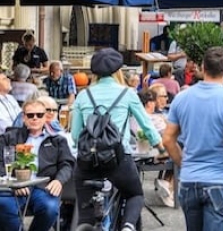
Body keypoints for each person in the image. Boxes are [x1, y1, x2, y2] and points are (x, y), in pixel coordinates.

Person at [71, 48, 167, 231]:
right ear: (118, 71)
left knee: (86, 215)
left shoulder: (83, 95)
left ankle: (86, 224)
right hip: (118, 158)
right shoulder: (128, 94)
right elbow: (147, 125)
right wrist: (161, 148)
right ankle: (128, 226)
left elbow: (76, 136)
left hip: (87, 161)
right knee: (135, 195)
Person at [162, 46, 223, 231]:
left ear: (202, 66)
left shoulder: (182, 98)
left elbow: (168, 139)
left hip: (190, 179)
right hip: (220, 179)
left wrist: (183, 162)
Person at [0, 99, 75, 231]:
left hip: (43, 187)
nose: (35, 118)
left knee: (50, 208)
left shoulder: (57, 140)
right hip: (14, 188)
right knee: (3, 205)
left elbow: (67, 163)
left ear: (46, 117)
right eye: (30, 115)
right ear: (24, 118)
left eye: (39, 115)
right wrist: (12, 183)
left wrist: (59, 180)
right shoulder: (9, 137)